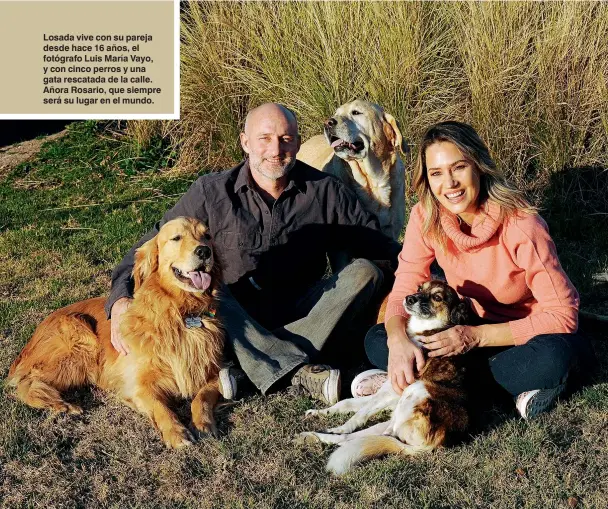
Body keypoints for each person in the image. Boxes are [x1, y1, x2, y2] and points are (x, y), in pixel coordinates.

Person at [105, 103, 400, 405]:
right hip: (234, 317)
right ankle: (296, 371)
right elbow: (151, 245)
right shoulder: (211, 192)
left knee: (365, 271)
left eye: (286, 139)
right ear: (245, 142)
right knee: (214, 293)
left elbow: (381, 248)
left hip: (306, 312)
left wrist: (431, 271)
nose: (276, 149)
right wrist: (119, 300)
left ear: (298, 143)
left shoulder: (326, 191)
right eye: (265, 138)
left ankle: (253, 367)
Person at [352, 121, 595, 419]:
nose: (450, 183)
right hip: (464, 331)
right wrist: (398, 340)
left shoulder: (521, 225)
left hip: (526, 336)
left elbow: (563, 314)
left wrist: (475, 337)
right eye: (437, 173)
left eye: (459, 168)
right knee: (377, 339)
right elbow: (406, 281)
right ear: (426, 180)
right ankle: (493, 387)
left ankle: (419, 382)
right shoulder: (425, 216)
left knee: (555, 357)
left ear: (478, 166)